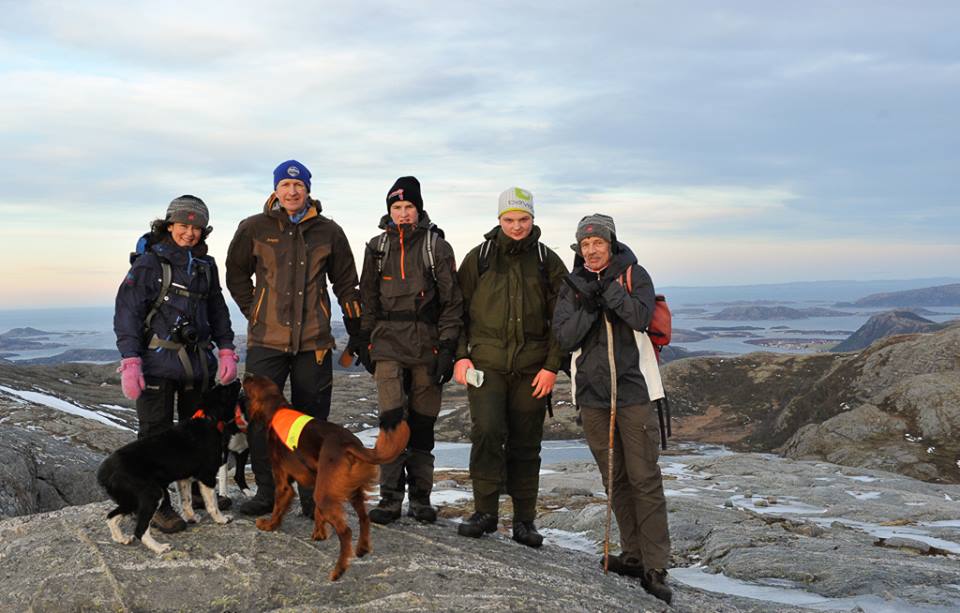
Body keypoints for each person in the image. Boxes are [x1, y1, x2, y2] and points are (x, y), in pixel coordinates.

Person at [226, 160, 363, 517]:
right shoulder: (253, 228)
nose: (291, 191)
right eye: (285, 186)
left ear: (307, 189)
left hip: (314, 344)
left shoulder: (329, 231)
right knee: (261, 421)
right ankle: (268, 493)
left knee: (310, 422)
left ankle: (310, 497)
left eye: (298, 185)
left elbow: (347, 282)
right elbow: (236, 274)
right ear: (275, 190)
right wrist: (254, 310)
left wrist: (355, 327)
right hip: (266, 342)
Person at [553, 214, 672, 604]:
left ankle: (656, 566)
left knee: (644, 478)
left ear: (611, 243)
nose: (591, 250)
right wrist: (590, 302)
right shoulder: (572, 284)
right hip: (592, 396)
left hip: (634, 392)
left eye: (597, 243)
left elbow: (640, 317)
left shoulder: (634, 274)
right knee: (615, 479)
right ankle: (633, 555)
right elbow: (564, 337)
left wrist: (609, 292)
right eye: (585, 245)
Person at [114, 195, 239, 533]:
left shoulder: (205, 266)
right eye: (184, 225)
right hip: (156, 366)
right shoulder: (149, 264)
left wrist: (226, 348)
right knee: (155, 439)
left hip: (196, 366)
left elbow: (217, 310)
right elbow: (127, 312)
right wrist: (130, 361)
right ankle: (156, 506)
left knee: (198, 435)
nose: (190, 233)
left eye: (197, 227)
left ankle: (199, 495)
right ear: (169, 225)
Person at [452, 187, 567, 547]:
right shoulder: (479, 258)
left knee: (525, 443)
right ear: (499, 220)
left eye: (523, 219)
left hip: (533, 369)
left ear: (533, 219)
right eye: (509, 219)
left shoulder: (548, 261)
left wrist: (552, 366)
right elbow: (456, 310)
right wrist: (460, 355)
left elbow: (563, 320)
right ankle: (485, 513)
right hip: (486, 364)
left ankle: (524, 521)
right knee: (485, 433)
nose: (516, 226)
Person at [356, 176, 463, 525]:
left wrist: (448, 346)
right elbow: (368, 299)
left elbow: (451, 303)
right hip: (387, 344)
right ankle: (389, 500)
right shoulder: (376, 247)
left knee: (422, 426)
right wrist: (364, 339)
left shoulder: (436, 247)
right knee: (391, 423)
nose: (402, 214)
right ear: (389, 211)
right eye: (396, 208)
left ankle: (420, 499)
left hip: (427, 347)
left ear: (418, 209)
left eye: (408, 207)